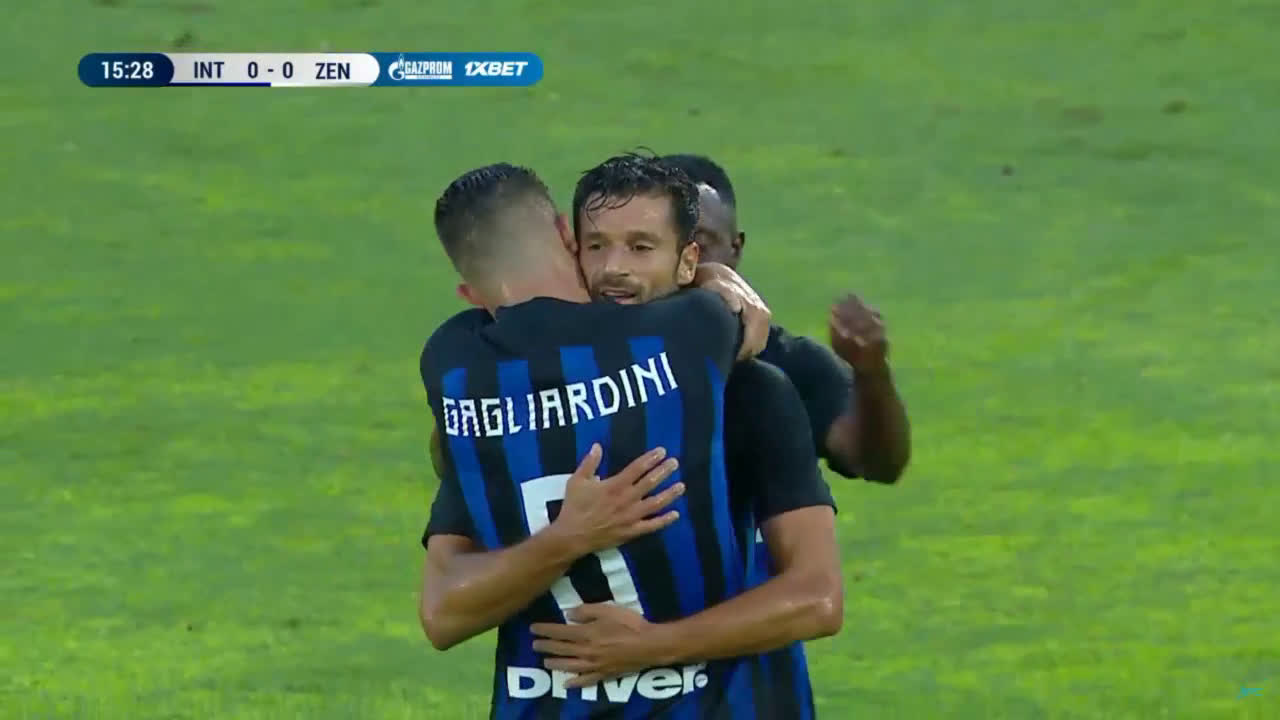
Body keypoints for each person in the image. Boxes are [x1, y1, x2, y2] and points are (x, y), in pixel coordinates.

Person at [417, 162, 842, 718]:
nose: (615, 268)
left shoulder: (470, 384)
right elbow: (443, 612)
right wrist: (568, 537)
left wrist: (652, 646)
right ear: (570, 242)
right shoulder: (488, 409)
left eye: (642, 248)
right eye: (598, 246)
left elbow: (817, 598)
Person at [661, 153, 912, 484]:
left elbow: (878, 464)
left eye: (701, 245)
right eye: (663, 245)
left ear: (735, 250)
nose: (685, 263)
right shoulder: (601, 348)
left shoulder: (787, 364)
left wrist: (872, 374)